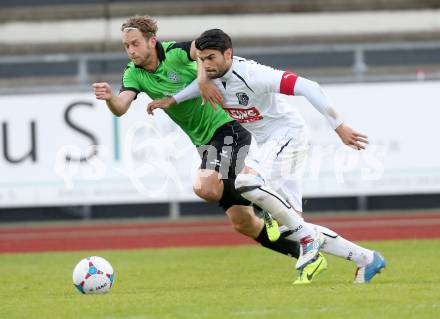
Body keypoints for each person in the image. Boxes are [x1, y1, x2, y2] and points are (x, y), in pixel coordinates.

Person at [147, 28, 386, 284]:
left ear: (228, 53)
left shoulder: (253, 75)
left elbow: (309, 86)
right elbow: (198, 85)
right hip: (269, 143)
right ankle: (367, 259)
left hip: (289, 136)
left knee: (246, 182)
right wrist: (172, 100)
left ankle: (307, 238)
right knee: (291, 225)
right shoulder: (212, 75)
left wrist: (340, 127)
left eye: (211, 58)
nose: (205, 65)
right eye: (202, 59)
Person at [92, 15, 325, 277]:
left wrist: (203, 80)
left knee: (204, 185)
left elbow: (205, 48)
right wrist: (111, 97)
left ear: (151, 41)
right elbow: (122, 107)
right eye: (126, 46)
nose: (131, 50)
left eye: (135, 43)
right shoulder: (133, 73)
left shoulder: (176, 52)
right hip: (204, 142)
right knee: (243, 223)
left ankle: (265, 198)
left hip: (227, 127)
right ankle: (305, 252)